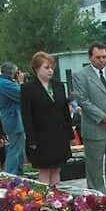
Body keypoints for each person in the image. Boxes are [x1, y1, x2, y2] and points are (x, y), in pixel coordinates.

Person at [72, 42, 106, 196]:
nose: (102, 60)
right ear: (90, 58)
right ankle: (97, 199)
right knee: (95, 167)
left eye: (104, 57)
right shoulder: (80, 76)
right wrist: (103, 117)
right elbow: (83, 100)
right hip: (95, 129)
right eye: (98, 57)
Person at [20, 51, 74, 186]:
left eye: (51, 68)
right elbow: (26, 115)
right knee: (45, 169)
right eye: (46, 67)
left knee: (57, 168)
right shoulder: (28, 88)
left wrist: (70, 134)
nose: (50, 71)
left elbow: (65, 111)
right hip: (41, 136)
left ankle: (57, 197)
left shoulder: (58, 86)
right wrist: (31, 139)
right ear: (36, 69)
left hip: (59, 134)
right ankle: (44, 198)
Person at [0, 62, 25, 176]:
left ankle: (19, 172)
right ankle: (11, 174)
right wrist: (20, 82)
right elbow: (23, 95)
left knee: (19, 149)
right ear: (12, 72)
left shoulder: (1, 82)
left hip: (12, 119)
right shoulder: (5, 84)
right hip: (13, 120)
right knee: (14, 149)